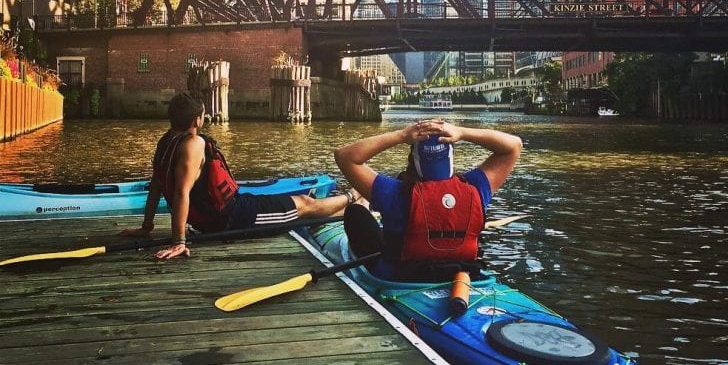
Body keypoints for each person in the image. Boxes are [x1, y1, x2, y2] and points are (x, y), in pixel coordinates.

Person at [121, 91, 358, 259]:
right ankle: (354, 196)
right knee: (305, 204)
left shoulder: (166, 142)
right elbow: (181, 193)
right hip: (235, 219)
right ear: (197, 120)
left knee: (302, 211)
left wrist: (147, 226)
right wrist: (179, 242)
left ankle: (355, 208)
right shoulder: (194, 143)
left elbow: (156, 186)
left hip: (217, 218)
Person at [334, 118, 522, 280]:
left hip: (400, 277)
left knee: (356, 212)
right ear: (450, 157)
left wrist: (402, 135)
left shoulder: (394, 192)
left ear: (414, 159)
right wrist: (461, 132)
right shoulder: (476, 188)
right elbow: (514, 145)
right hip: (460, 275)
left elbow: (344, 156)